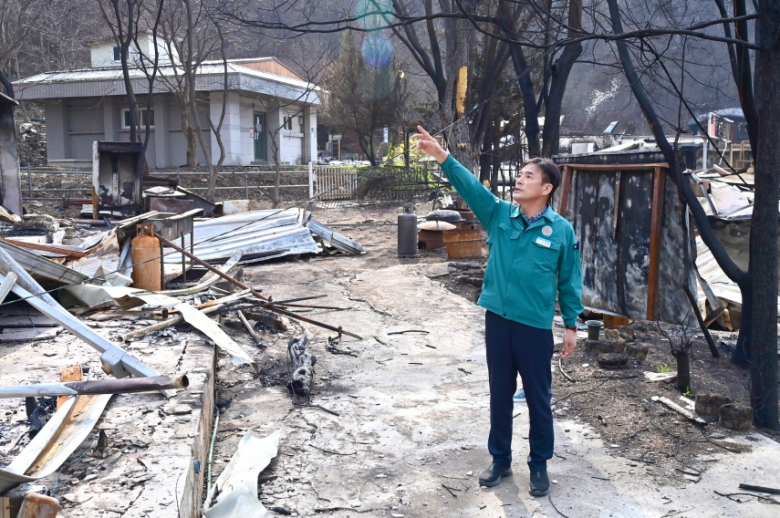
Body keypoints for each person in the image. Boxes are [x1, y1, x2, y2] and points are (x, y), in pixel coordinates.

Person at [413, 126, 583, 497]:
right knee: (500, 394)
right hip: (498, 322)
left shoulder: (562, 231)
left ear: (546, 188)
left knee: (538, 399)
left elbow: (570, 280)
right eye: (519, 174)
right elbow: (471, 188)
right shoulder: (500, 215)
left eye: (528, 176)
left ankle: (539, 464)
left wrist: (571, 325)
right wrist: (443, 157)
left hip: (534, 327)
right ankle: (501, 459)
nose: (519, 180)